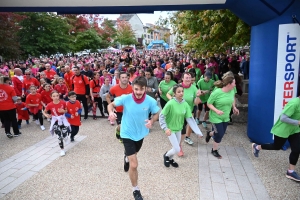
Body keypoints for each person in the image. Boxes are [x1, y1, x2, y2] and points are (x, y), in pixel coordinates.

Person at [107, 76, 160, 200]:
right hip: (126, 133)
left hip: (140, 134)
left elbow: (157, 113)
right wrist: (111, 112)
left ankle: (126, 157)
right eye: (136, 89)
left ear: (145, 89)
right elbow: (111, 105)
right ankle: (135, 190)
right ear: (133, 88)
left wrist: (152, 121)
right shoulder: (126, 98)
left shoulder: (150, 101)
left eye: (141, 89)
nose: (139, 92)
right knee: (134, 164)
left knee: (133, 155)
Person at [251, 97, 300, 182]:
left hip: (294, 130)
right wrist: (298, 122)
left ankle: (290, 172)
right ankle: (257, 147)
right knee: (276, 146)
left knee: (296, 149)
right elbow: (283, 118)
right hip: (282, 129)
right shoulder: (294, 103)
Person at [159, 84, 203, 168]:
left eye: (182, 91)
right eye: (178, 92)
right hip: (170, 129)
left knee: (176, 147)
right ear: (174, 93)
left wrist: (198, 132)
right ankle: (166, 156)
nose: (181, 93)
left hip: (179, 128)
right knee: (177, 149)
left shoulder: (185, 104)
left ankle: (171, 159)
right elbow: (161, 116)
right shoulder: (170, 103)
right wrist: (165, 128)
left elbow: (190, 118)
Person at [206, 71, 239, 158]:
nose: (235, 85)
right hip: (215, 117)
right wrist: (216, 111)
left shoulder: (231, 91)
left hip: (225, 117)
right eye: (234, 83)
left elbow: (232, 99)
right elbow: (209, 103)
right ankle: (214, 150)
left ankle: (210, 133)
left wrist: (234, 107)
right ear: (229, 84)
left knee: (220, 133)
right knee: (220, 134)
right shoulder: (217, 92)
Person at [166, 72, 201, 155]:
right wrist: (172, 100)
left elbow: (196, 103)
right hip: (178, 113)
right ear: (182, 79)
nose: (188, 79)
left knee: (183, 131)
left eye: (189, 77)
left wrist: (198, 96)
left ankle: (178, 145)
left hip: (188, 112)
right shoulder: (178, 87)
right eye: (186, 77)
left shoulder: (194, 88)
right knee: (181, 130)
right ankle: (178, 146)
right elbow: (168, 94)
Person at [43, 90, 71, 157]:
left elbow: (67, 110)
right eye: (54, 96)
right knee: (59, 136)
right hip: (55, 121)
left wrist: (63, 111)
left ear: (59, 96)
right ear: (51, 97)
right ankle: (62, 149)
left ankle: (66, 137)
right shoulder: (49, 105)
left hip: (62, 119)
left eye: (57, 96)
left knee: (64, 133)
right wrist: (46, 115)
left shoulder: (63, 103)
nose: (56, 97)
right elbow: (44, 111)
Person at [106, 72, 132, 142]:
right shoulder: (114, 88)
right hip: (118, 111)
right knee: (120, 126)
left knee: (127, 126)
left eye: (126, 77)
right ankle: (118, 131)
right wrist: (112, 106)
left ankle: (124, 137)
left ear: (128, 78)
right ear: (119, 79)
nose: (124, 79)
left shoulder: (132, 88)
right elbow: (107, 97)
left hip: (128, 111)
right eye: (122, 77)